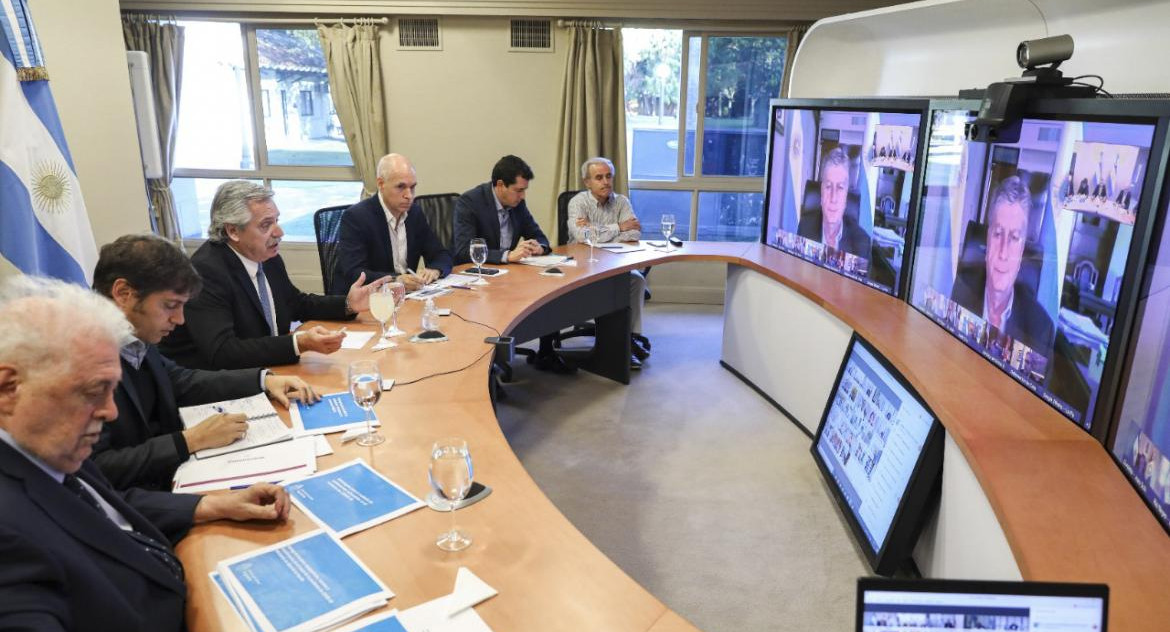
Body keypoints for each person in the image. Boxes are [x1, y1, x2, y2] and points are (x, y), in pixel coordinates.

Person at [0, 275, 291, 631]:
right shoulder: (9, 535)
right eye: (94, 390)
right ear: (8, 388)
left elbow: (103, 508)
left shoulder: (46, 447)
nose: (111, 412)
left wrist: (212, 504)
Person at [90, 234, 320, 491]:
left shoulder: (133, 336)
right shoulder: (81, 360)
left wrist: (264, 380)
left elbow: (180, 381)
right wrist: (190, 440)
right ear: (123, 293)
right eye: (170, 306)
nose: (180, 320)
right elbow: (97, 468)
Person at [159, 180, 385, 370]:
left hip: (271, 369)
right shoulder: (207, 272)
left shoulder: (267, 256)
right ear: (233, 231)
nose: (279, 232)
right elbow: (223, 352)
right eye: (266, 225)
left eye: (277, 220)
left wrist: (348, 304)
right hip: (219, 387)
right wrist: (297, 343)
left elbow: (295, 302)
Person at [453, 155, 572, 374]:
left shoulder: (518, 204)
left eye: (524, 190)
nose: (523, 195)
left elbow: (540, 236)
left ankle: (546, 353)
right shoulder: (470, 202)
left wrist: (540, 247)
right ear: (500, 185)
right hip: (478, 279)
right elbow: (463, 250)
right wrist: (507, 255)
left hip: (508, 276)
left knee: (550, 289)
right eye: (518, 190)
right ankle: (488, 367)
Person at [951, 175, 1055, 354]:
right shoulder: (958, 291)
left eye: (1014, 238)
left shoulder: (1040, 330)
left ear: (1022, 250)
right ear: (987, 239)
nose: (1003, 252)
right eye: (998, 234)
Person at [566, 157, 651, 369]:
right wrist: (618, 227)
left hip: (616, 263)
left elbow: (634, 233)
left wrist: (596, 231)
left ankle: (627, 340)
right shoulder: (578, 202)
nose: (605, 182)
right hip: (584, 266)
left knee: (637, 281)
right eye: (599, 177)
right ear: (587, 182)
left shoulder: (621, 201)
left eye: (608, 176)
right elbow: (583, 235)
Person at [332, 153, 453, 294]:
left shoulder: (414, 213)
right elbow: (355, 273)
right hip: (367, 301)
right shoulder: (356, 217)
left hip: (404, 298)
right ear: (381, 184)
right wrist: (396, 280)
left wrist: (435, 269)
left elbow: (441, 254)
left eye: (412, 187)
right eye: (401, 187)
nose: (409, 195)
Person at [797, 146, 871, 258]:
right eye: (828, 186)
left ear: (846, 195)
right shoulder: (804, 227)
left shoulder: (861, 244)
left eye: (840, 187)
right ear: (821, 192)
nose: (833, 198)